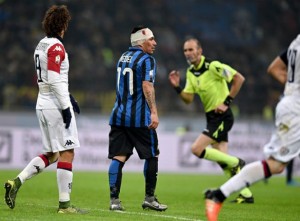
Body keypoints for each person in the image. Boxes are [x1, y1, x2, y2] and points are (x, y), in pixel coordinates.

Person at [204, 34, 300, 221]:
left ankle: (218, 195)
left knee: (277, 166)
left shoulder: (296, 42)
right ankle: (218, 195)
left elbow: (275, 68)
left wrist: (292, 88)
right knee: (276, 165)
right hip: (295, 109)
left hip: (292, 102)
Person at [4, 5, 86, 214]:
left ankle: (16, 182)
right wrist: (66, 107)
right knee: (67, 153)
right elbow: (54, 79)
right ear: (62, 25)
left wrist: (70, 97)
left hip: (43, 103)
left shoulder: (41, 44)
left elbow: (50, 80)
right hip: (55, 107)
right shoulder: (57, 47)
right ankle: (65, 206)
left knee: (51, 154)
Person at [168, 38, 254, 204]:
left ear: (200, 51)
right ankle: (246, 193)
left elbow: (239, 78)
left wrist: (226, 102)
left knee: (196, 149)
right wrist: (177, 87)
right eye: (185, 50)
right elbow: (188, 99)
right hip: (211, 117)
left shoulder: (213, 66)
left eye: (191, 49)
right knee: (222, 160)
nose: (188, 53)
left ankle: (237, 162)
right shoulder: (191, 72)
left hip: (222, 116)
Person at [107, 25, 167, 212]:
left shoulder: (122, 57)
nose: (154, 43)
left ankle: (114, 201)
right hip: (139, 118)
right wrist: (154, 112)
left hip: (118, 116)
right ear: (141, 42)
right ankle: (150, 198)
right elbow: (147, 86)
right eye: (151, 39)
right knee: (151, 155)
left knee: (118, 157)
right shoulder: (147, 59)